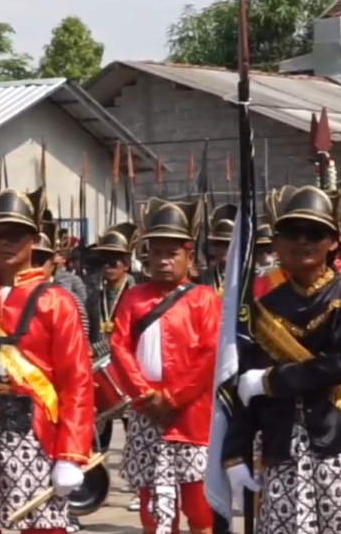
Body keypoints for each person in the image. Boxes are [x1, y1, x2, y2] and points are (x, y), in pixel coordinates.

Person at [223, 184, 341, 534]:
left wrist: (270, 381)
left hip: (336, 439)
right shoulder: (265, 307)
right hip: (281, 445)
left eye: (315, 233)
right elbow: (241, 384)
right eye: (292, 232)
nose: (303, 241)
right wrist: (236, 453)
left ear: (333, 241)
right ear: (275, 242)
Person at [0, 185, 93, 534]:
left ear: (33, 239)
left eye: (15, 234)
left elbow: (77, 382)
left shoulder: (57, 301)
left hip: (35, 435)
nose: (6, 242)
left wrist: (71, 454)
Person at [109, 197, 219, 534]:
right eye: (156, 253)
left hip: (192, 416)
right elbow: (119, 347)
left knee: (200, 507)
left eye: (171, 253)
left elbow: (209, 355)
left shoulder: (204, 299)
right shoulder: (133, 297)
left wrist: (171, 398)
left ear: (189, 256)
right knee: (153, 510)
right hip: (146, 414)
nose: (163, 261)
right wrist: (146, 396)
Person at [199, 203, 236, 295]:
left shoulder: (249, 275)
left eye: (227, 244)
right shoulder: (203, 276)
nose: (223, 249)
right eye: (218, 243)